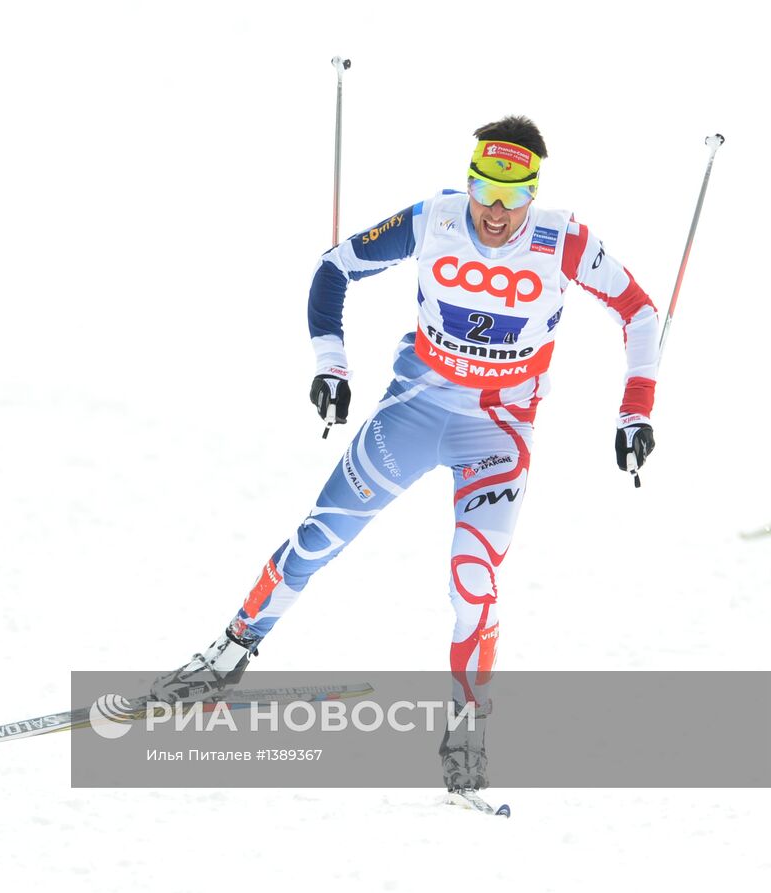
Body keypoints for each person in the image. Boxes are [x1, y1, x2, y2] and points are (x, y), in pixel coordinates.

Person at [150, 115, 659, 793]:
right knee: (317, 538)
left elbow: (641, 312)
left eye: (514, 197)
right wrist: (332, 365)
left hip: (497, 434)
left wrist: (635, 411)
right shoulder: (435, 218)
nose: (497, 211)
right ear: (470, 180)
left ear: (534, 191)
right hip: (413, 411)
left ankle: (467, 731)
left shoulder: (562, 240)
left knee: (474, 578)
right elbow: (335, 268)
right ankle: (226, 653)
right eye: (486, 190)